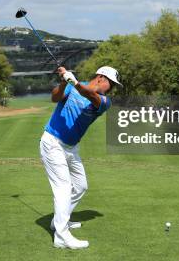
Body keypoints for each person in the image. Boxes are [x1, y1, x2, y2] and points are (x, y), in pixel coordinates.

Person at [40, 66, 120, 250]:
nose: (112, 89)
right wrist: (63, 82)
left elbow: (89, 95)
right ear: (101, 78)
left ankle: (58, 220)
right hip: (53, 142)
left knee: (81, 185)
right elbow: (55, 98)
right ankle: (61, 236)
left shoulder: (104, 101)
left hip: (71, 147)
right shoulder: (72, 85)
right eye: (111, 84)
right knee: (63, 188)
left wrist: (73, 81)